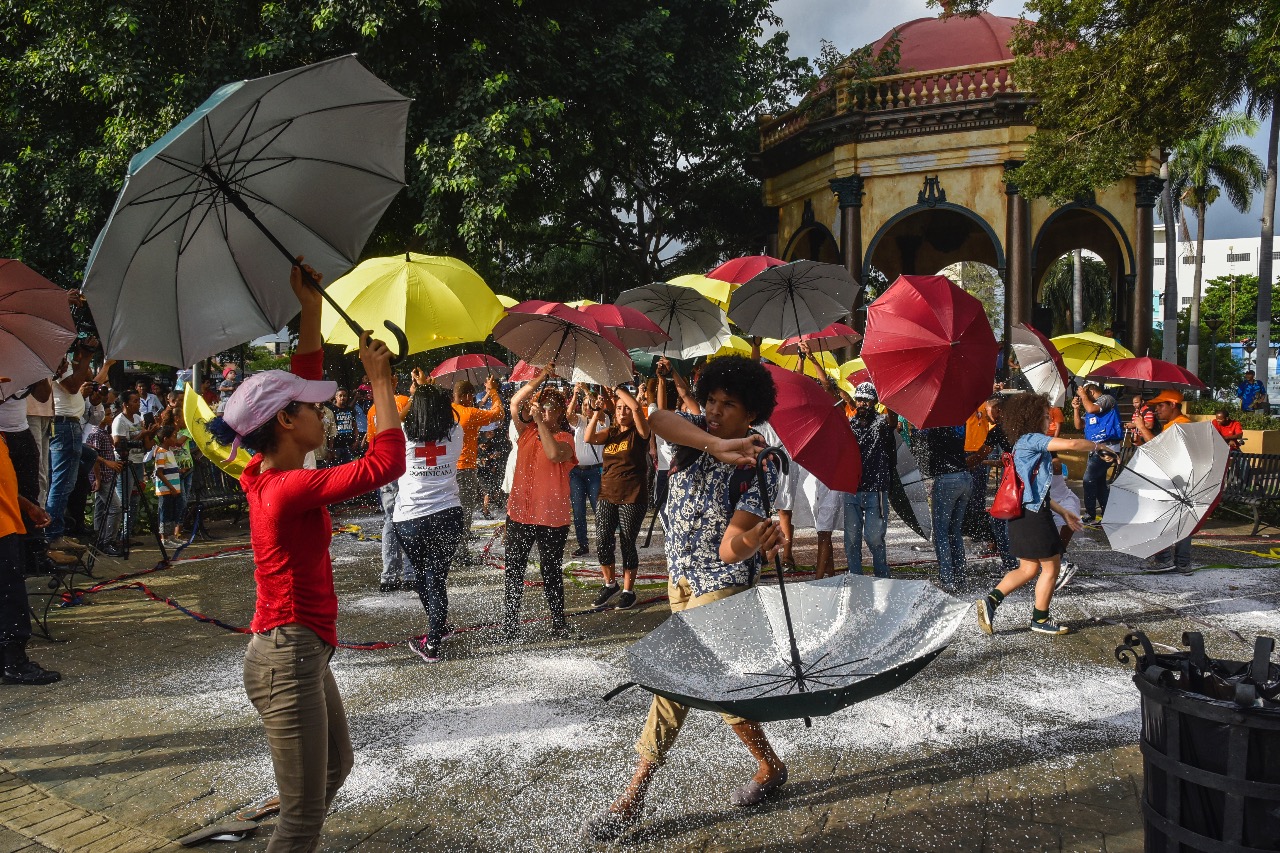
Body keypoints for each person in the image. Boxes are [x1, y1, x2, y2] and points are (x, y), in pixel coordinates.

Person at [209, 260, 405, 853]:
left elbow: (300, 379)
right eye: (312, 407)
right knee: (301, 820)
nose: (324, 411)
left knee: (334, 770)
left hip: (299, 653)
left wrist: (310, 306)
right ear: (287, 421)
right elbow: (386, 463)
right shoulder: (286, 488)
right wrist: (379, 380)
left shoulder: (268, 467)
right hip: (286, 657)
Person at [584, 355, 785, 843]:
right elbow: (655, 418)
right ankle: (770, 765)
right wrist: (716, 444)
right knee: (719, 687)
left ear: (752, 413)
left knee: (674, 678)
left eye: (727, 404)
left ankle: (633, 795)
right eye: (710, 399)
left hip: (723, 584)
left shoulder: (763, 464)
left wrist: (755, 538)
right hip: (681, 580)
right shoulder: (696, 433)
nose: (713, 410)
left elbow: (730, 548)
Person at [975, 393, 1098, 637]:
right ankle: (1040, 619)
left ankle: (990, 602)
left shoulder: (1023, 442)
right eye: (1045, 416)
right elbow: (1073, 445)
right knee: (1051, 568)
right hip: (1033, 516)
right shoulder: (1032, 439)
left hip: (1025, 513)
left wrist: (1063, 511)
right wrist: (1099, 446)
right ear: (1032, 418)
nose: (1049, 421)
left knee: (1028, 569)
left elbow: (1034, 491)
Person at [501, 366, 576, 640]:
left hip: (551, 518)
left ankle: (558, 623)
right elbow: (514, 403)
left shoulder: (566, 438)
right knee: (514, 570)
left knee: (551, 570)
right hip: (520, 513)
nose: (543, 411)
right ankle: (510, 624)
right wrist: (541, 377)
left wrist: (540, 422)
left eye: (549, 408)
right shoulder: (526, 431)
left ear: (560, 412)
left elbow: (554, 454)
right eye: (541, 407)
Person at [394, 383, 466, 662]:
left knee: (425, 577)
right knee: (435, 577)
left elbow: (388, 423)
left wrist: (414, 398)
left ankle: (433, 643)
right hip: (448, 514)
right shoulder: (455, 431)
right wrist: (426, 394)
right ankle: (439, 628)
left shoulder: (402, 434)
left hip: (410, 518)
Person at [0, 431, 60, 684]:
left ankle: (8, 661)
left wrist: (28, 506)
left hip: (7, 523)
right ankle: (14, 663)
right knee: (9, 596)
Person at [586, 386, 650, 610]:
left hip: (633, 495)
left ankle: (628, 591)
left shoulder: (640, 433)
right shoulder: (611, 432)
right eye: (619, 408)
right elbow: (588, 437)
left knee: (627, 542)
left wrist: (617, 389)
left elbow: (636, 407)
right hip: (607, 493)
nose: (623, 411)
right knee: (602, 540)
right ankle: (610, 584)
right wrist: (596, 413)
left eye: (626, 408)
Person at [1136, 390, 1194, 570]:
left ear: (1173, 405)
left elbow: (1160, 450)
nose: (1157, 410)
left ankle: (1165, 560)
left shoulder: (1181, 424)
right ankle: (1180, 562)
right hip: (1175, 477)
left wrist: (1143, 428)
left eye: (1161, 405)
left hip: (1177, 479)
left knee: (1164, 517)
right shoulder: (1172, 425)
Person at [450, 376, 504, 564]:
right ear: (467, 396)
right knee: (465, 512)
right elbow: (498, 414)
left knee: (450, 511)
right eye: (471, 396)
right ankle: (460, 553)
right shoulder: (470, 413)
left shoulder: (448, 411)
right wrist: (493, 391)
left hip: (447, 468)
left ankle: (451, 549)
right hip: (465, 469)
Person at [843, 382, 895, 578]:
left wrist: (889, 398)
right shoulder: (850, 424)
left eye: (866, 400)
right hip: (852, 489)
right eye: (859, 400)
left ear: (874, 402)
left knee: (874, 537)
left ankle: (882, 577)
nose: (862, 403)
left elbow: (892, 421)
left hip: (877, 489)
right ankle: (855, 578)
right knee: (851, 540)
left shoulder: (881, 423)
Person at [911, 424, 971, 589]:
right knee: (955, 531)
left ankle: (947, 579)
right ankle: (960, 577)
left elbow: (921, 436)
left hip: (947, 480)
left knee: (941, 533)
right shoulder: (960, 422)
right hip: (965, 477)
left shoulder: (937, 426)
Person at [368, 378, 413, 593]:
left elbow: (372, 442)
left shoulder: (372, 410)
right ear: (394, 381)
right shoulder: (405, 401)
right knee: (408, 516)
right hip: (404, 465)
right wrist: (416, 395)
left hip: (383, 468)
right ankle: (410, 574)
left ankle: (388, 576)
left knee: (389, 520)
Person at [1071, 383, 1123, 523]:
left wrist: (1083, 395)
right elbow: (1078, 425)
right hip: (1095, 449)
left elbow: (1091, 408)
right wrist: (1076, 409)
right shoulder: (1091, 406)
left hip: (1107, 448)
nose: (1082, 397)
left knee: (1088, 479)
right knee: (1100, 484)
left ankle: (1090, 514)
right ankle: (1108, 515)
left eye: (1085, 393)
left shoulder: (1107, 399)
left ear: (1091, 391)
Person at [567, 383, 605, 558]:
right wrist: (575, 395)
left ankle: (604, 542)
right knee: (578, 511)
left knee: (599, 511)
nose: (587, 408)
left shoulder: (602, 419)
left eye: (590, 405)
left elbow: (599, 413)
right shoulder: (580, 421)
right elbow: (568, 415)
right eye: (584, 405)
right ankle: (583, 545)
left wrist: (585, 391)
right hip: (577, 472)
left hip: (595, 472)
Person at [151, 426, 186, 549]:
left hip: (173, 489)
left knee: (172, 513)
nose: (175, 439)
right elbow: (159, 472)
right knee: (165, 513)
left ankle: (171, 537)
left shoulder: (169, 451)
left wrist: (179, 471)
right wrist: (171, 487)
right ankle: (164, 538)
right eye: (173, 437)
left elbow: (168, 469)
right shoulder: (161, 452)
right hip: (166, 490)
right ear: (165, 439)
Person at [327, 389, 360, 465]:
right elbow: (328, 429)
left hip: (349, 445)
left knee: (349, 468)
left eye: (344, 396)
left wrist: (357, 440)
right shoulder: (331, 410)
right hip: (336, 446)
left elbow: (355, 427)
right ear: (336, 397)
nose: (342, 398)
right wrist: (330, 448)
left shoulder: (350, 410)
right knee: (336, 468)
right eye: (340, 396)